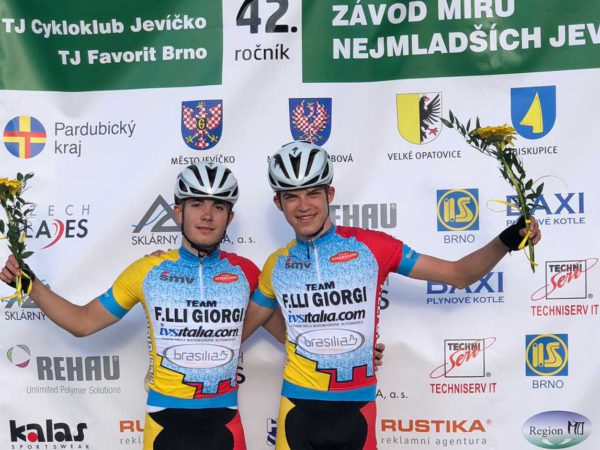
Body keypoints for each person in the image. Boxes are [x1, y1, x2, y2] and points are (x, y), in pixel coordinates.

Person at [1, 162, 384, 450]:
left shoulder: (246, 272)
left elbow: (293, 333)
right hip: (165, 427)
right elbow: (83, 322)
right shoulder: (148, 271)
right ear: (177, 212)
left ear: (230, 217)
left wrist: (350, 347)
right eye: (196, 204)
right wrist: (30, 284)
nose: (207, 215)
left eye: (218, 206)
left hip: (225, 428)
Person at [242, 140, 542, 450]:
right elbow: (236, 333)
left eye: (312, 193)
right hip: (297, 407)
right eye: (291, 196)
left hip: (356, 410)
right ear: (278, 203)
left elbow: (459, 274)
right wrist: (323, 346)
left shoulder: (372, 247)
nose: (303, 206)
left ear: (329, 194)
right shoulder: (276, 265)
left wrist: (507, 240)